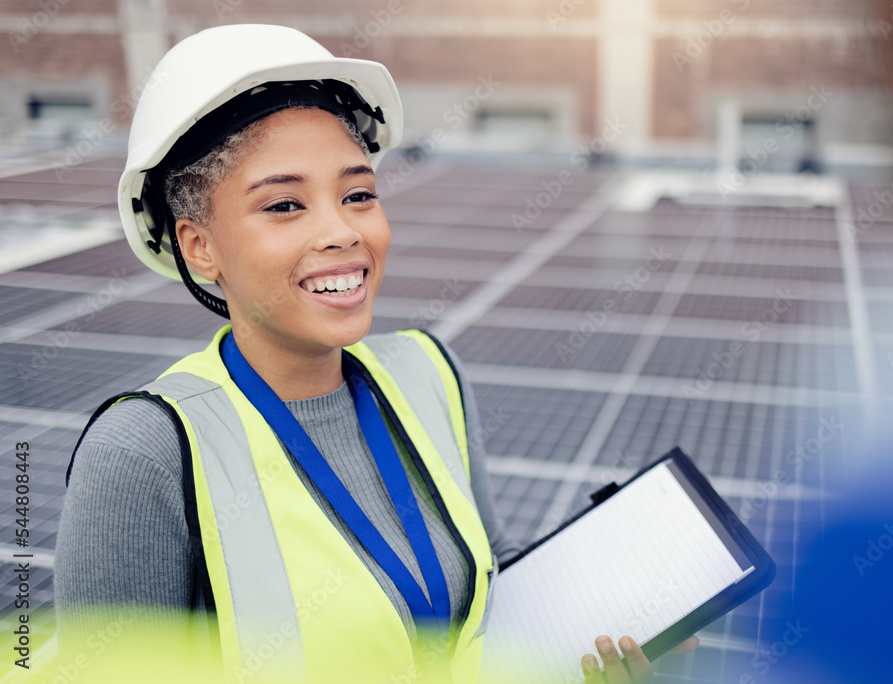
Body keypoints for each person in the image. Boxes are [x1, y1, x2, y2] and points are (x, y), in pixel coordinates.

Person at [53, 24, 695, 683]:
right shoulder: (144, 453)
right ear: (199, 248)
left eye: (358, 194)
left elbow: (487, 577)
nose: (341, 231)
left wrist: (601, 640)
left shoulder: (429, 372)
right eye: (284, 204)